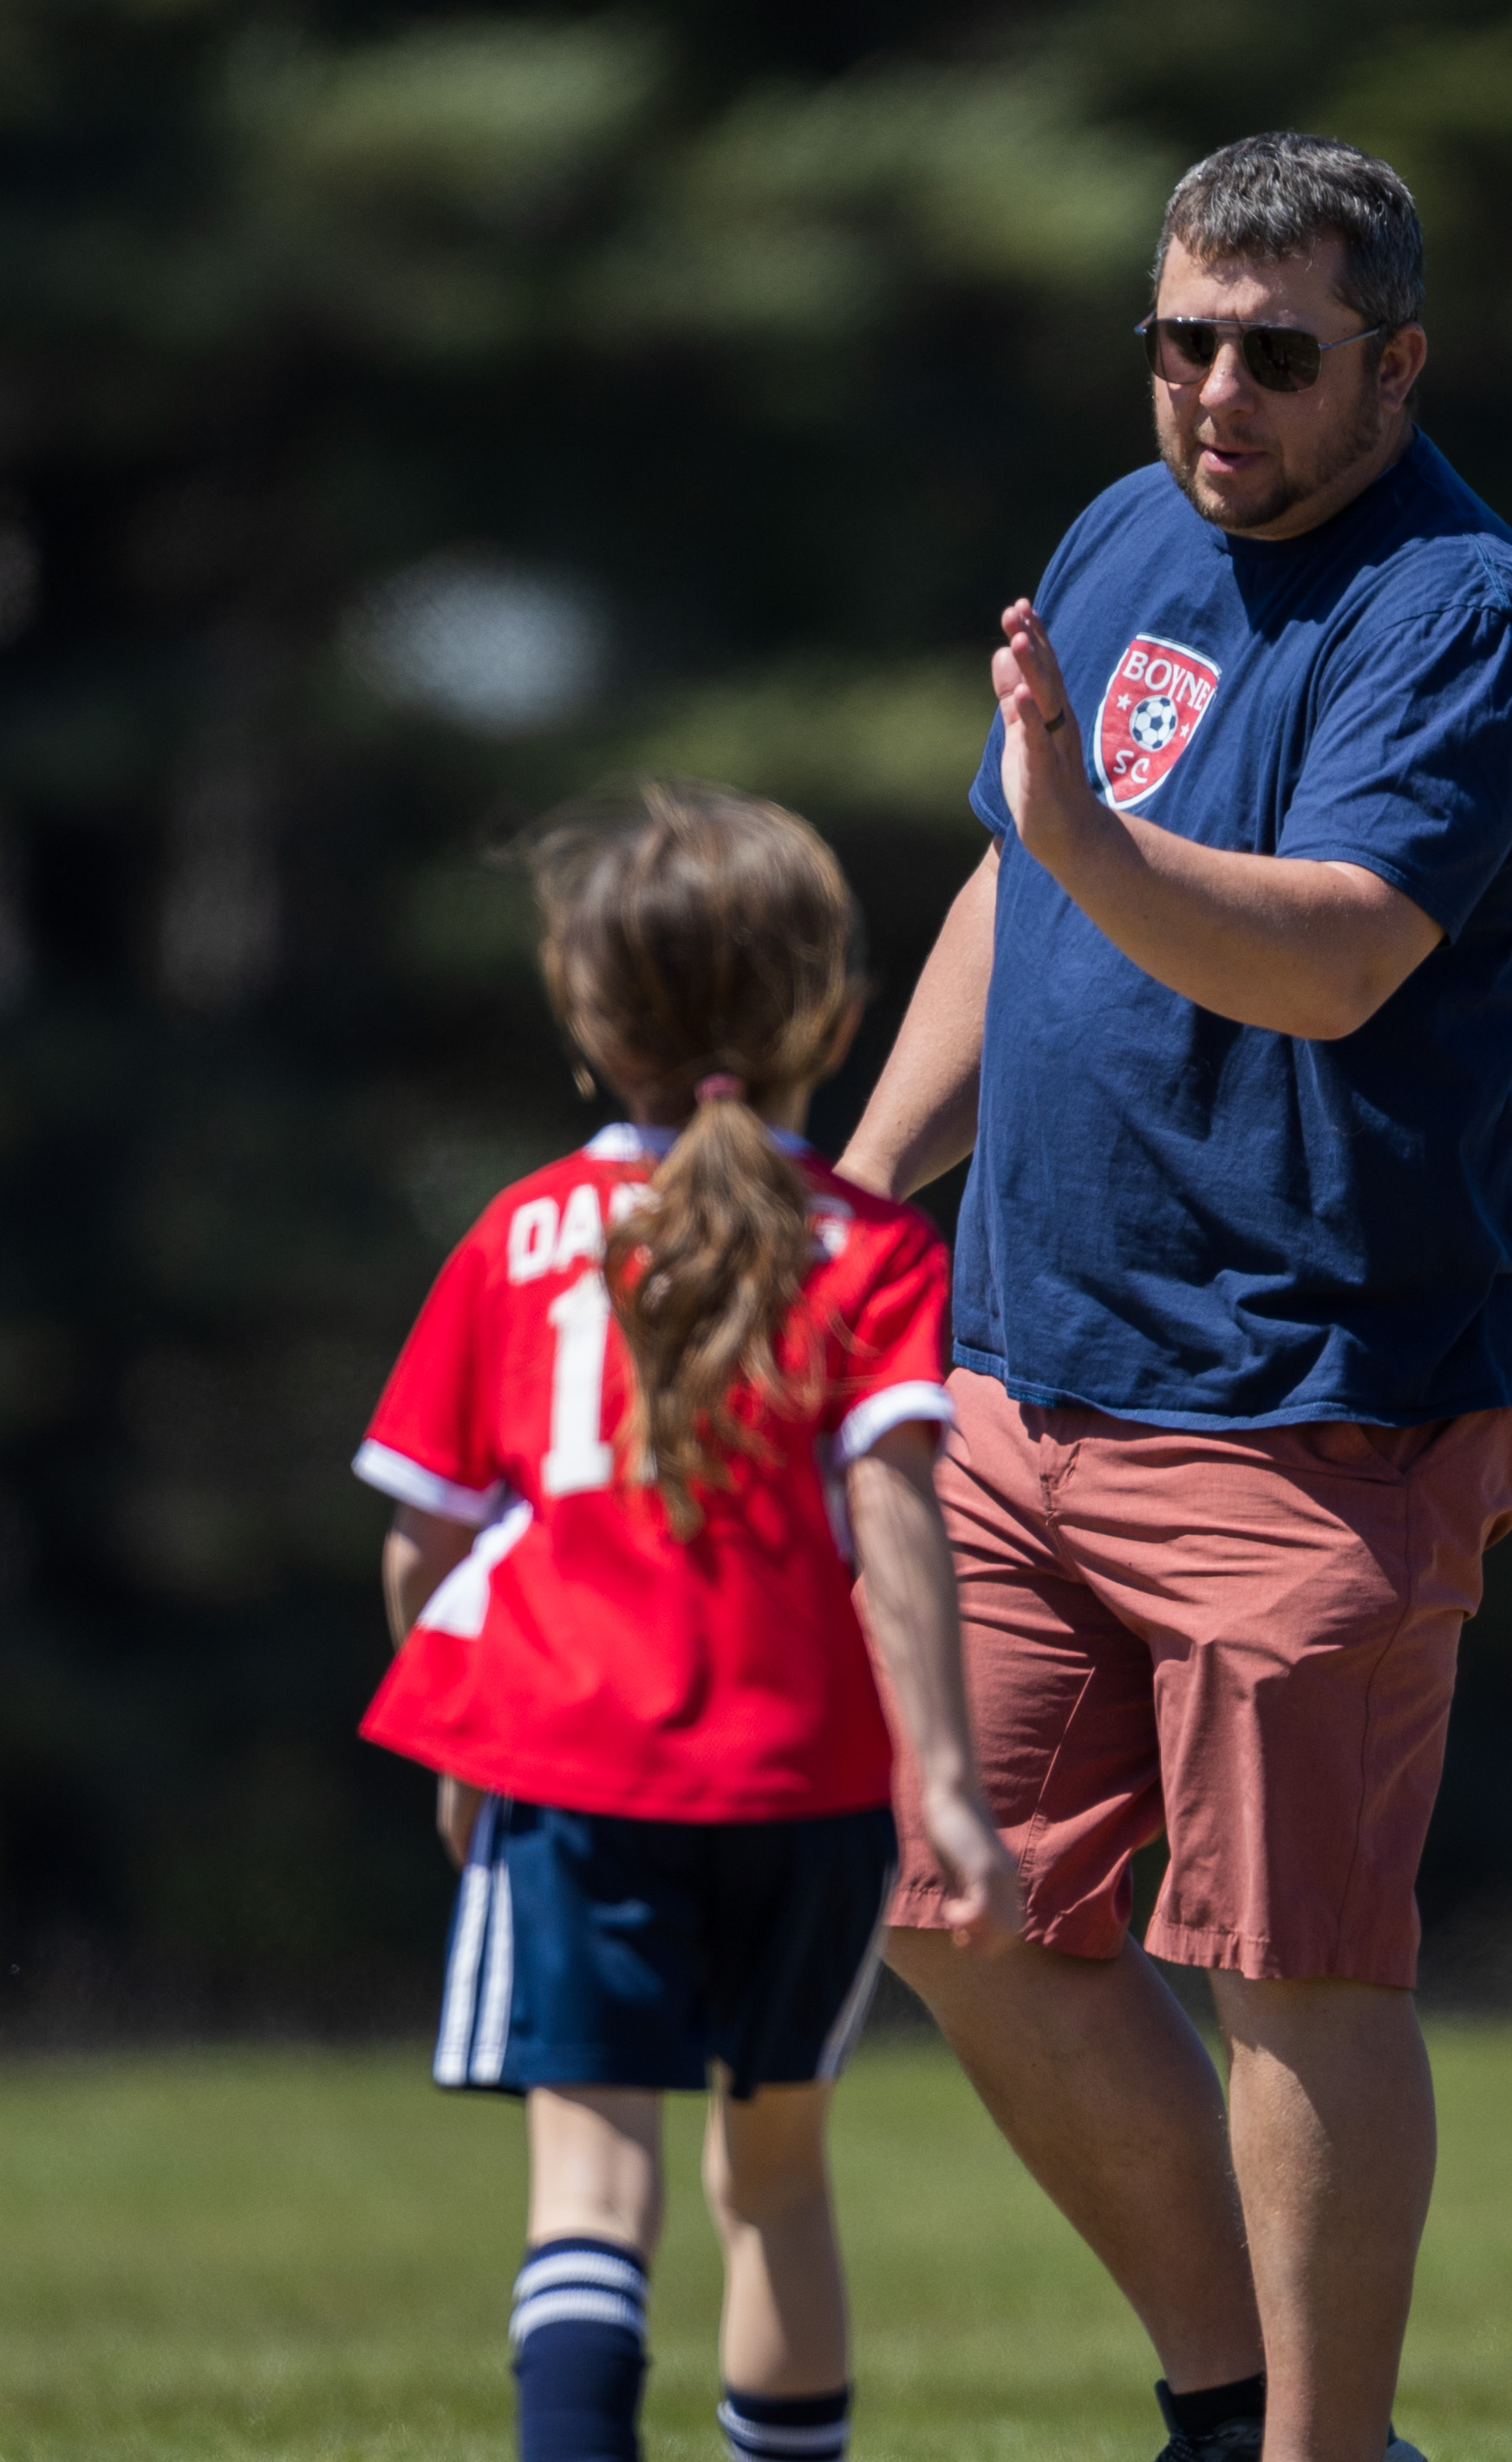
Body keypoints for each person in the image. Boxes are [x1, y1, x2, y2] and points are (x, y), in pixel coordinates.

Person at [833, 134, 1512, 2462]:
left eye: (1277, 355)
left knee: (1291, 1965)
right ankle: (1230, 2404)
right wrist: (863, 1184)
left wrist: (1084, 832)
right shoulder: (1120, 533)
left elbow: (1335, 955)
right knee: (946, 1897)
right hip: (1021, 1368)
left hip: (1312, 1400)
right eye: (1183, 343)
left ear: (1396, 363)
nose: (1217, 396)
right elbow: (1015, 886)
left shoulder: (1465, 614)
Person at [353, 780, 1023, 2462]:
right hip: (807, 1785)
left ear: (590, 1024)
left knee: (593, 2186)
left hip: (570, 1767)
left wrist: (457, 1735)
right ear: (838, 1021)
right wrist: (947, 1783)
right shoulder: (872, 1246)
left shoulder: (516, 1238)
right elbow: (898, 1516)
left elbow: (425, 1540)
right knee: (775, 2179)